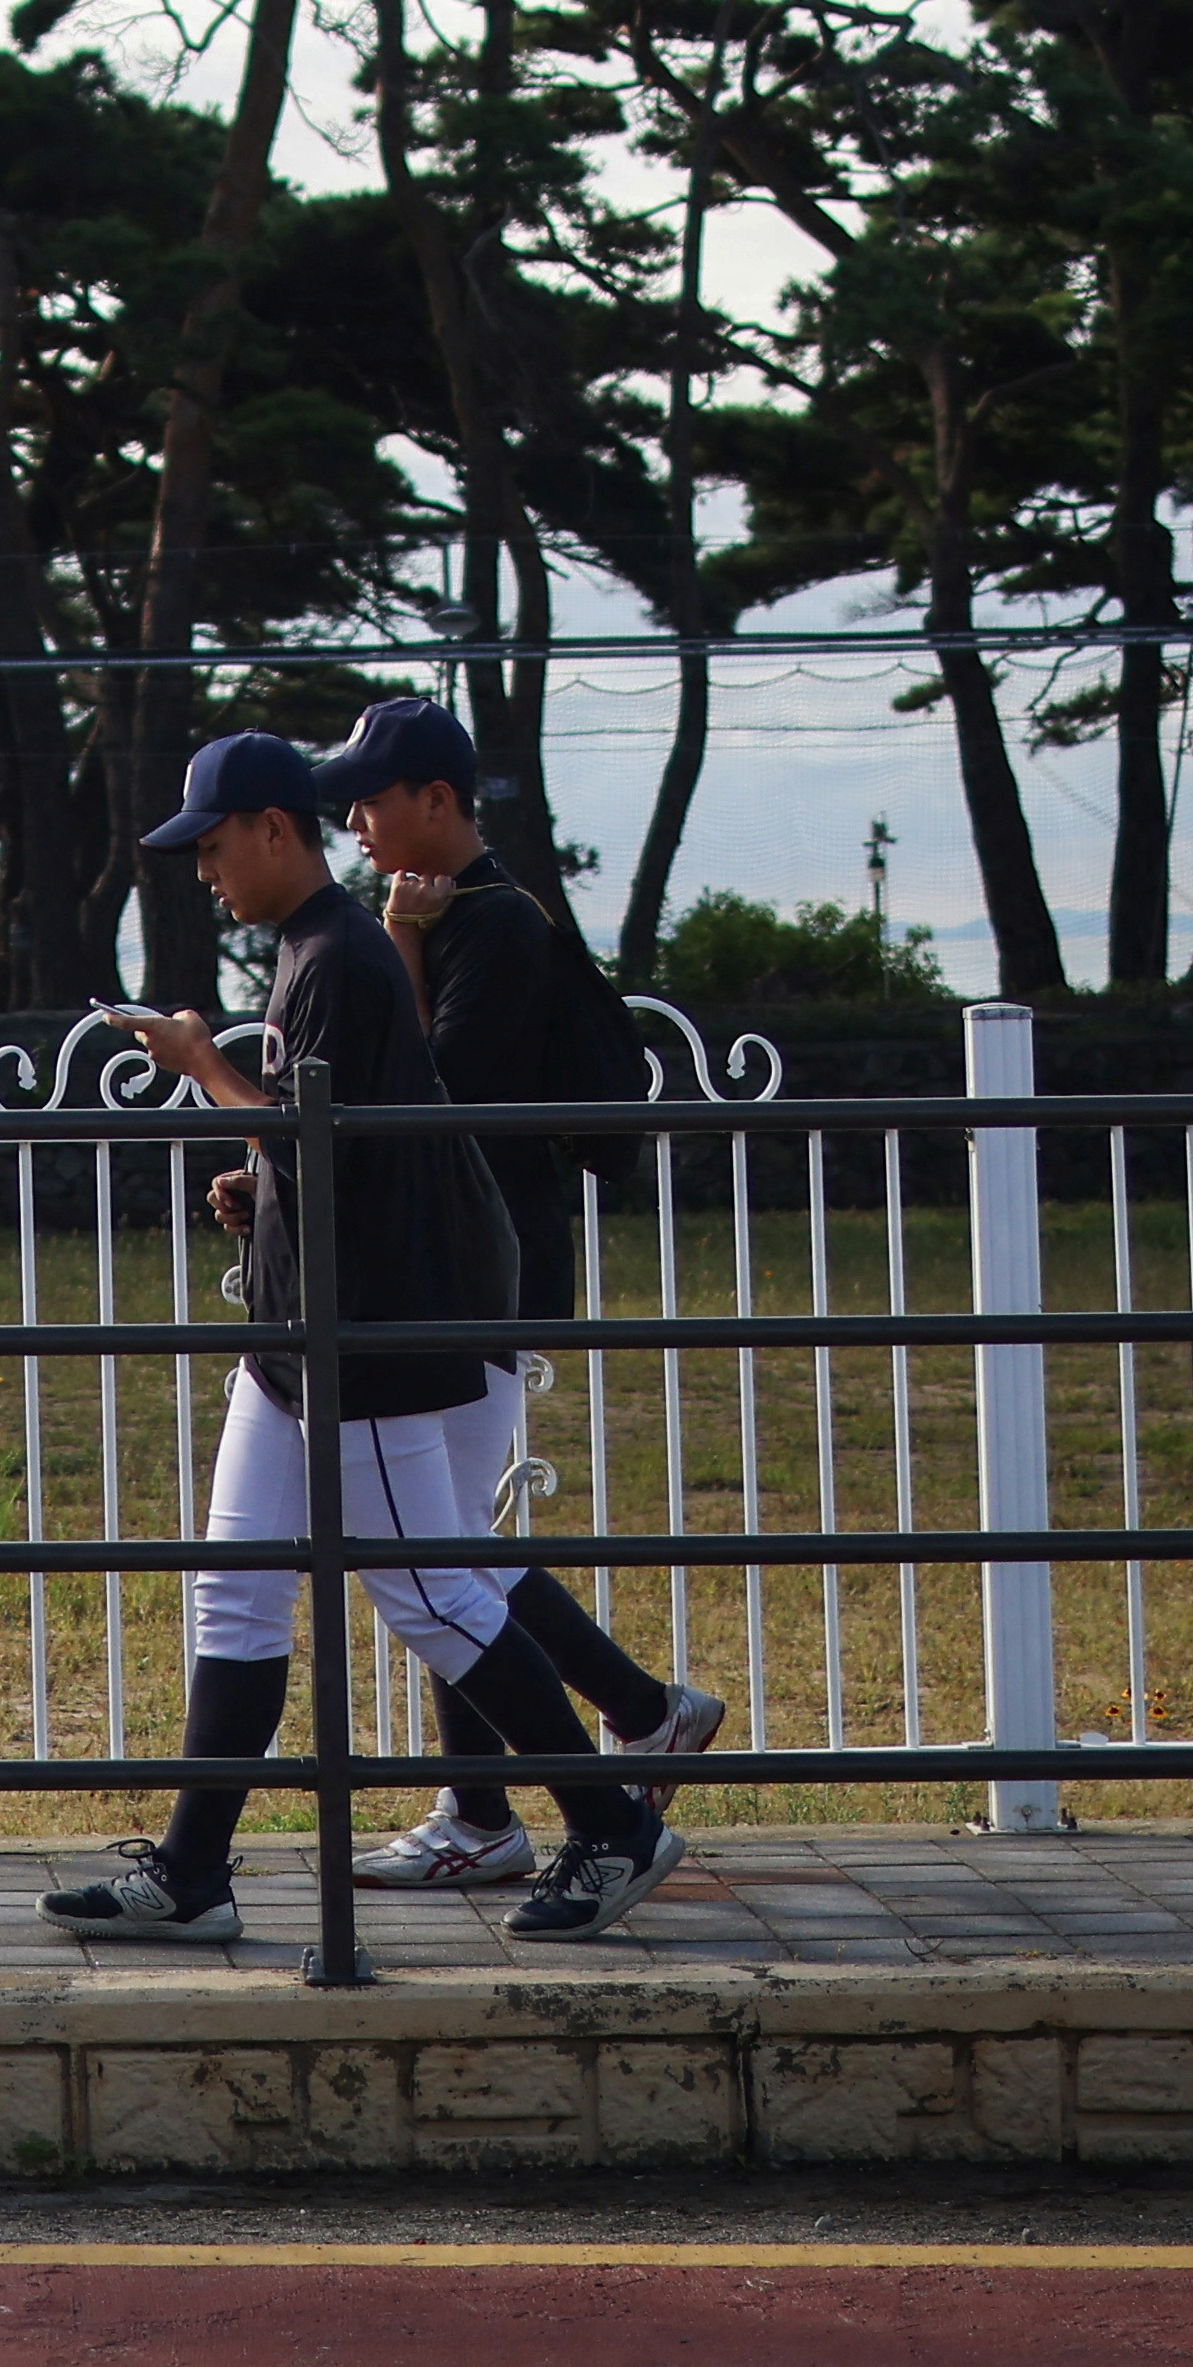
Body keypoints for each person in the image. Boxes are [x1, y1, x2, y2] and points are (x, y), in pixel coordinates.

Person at [43, 729, 670, 1948]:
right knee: (236, 1593)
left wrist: (197, 1063)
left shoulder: (336, 954)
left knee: (434, 1590)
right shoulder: (321, 948)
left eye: (214, 848)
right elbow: (324, 1144)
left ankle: (612, 1824)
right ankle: (191, 1872)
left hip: (364, 1340)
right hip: (297, 1330)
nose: (204, 873)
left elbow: (316, 1133)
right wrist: (258, 1177)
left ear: (277, 830)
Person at [324, 693, 728, 1886]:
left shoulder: (492, 929)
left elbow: (425, 1100)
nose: (354, 818)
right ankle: (575, 1751)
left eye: (373, 797)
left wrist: (399, 941)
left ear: (437, 801)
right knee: (448, 1546)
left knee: (443, 1551)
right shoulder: (469, 916)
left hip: (478, 1266)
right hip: (460, 1264)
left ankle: (536, 1782)